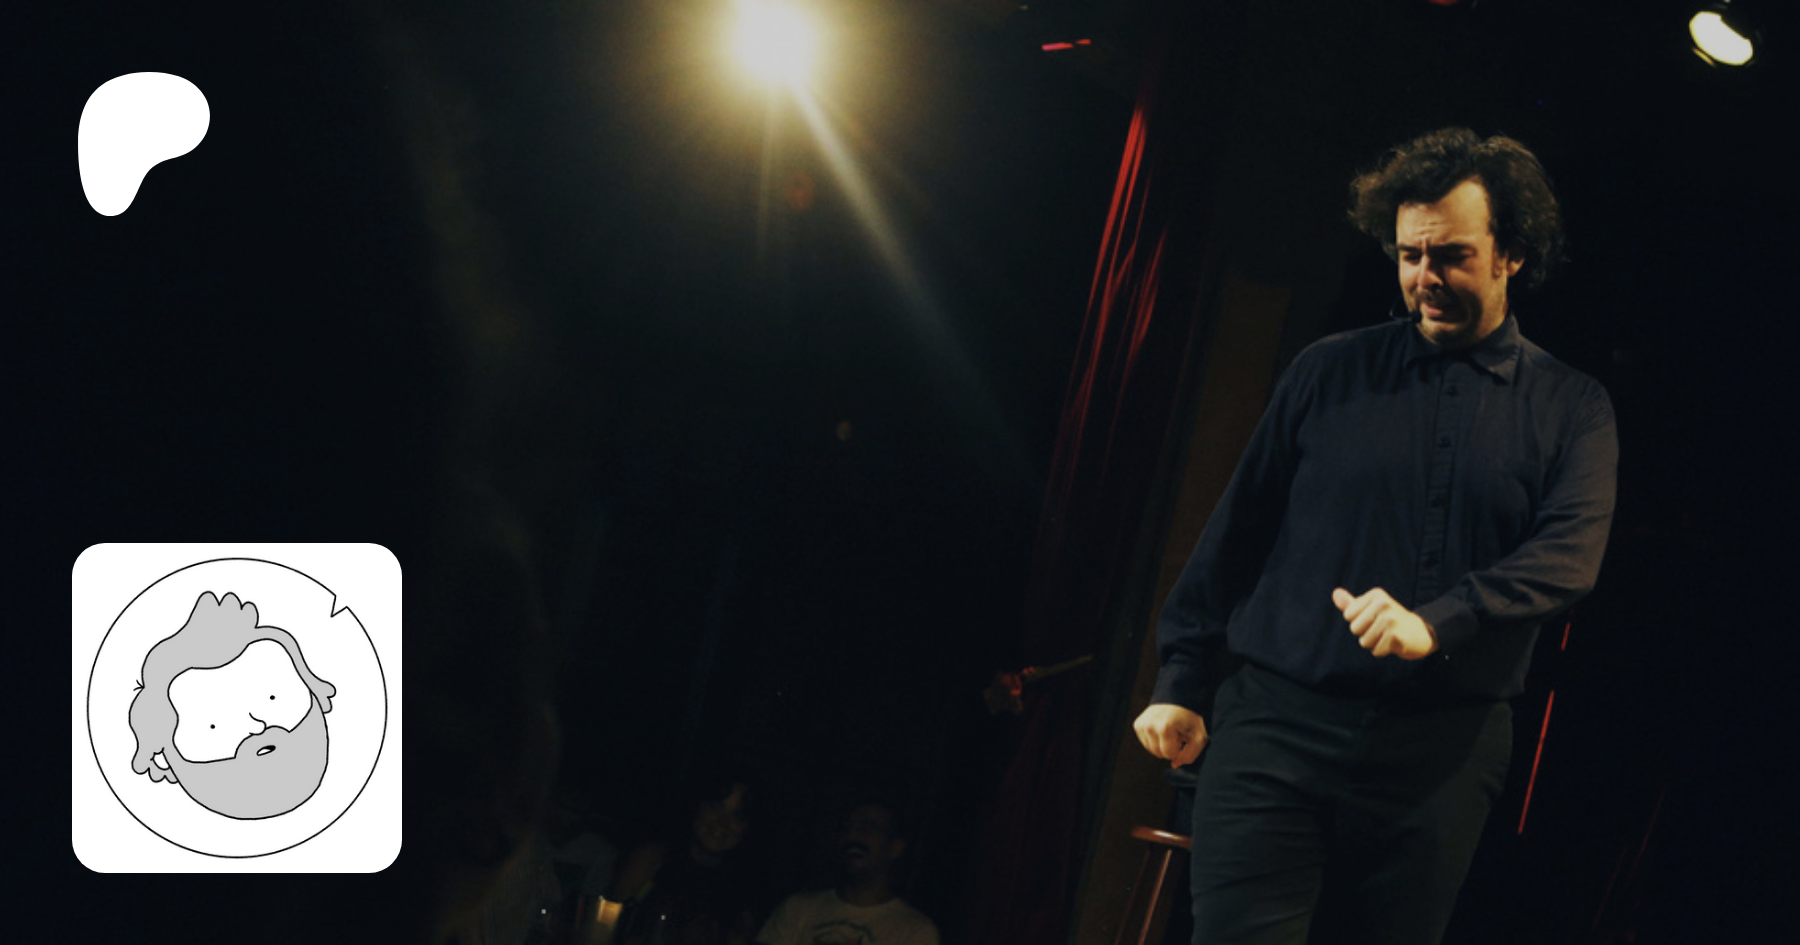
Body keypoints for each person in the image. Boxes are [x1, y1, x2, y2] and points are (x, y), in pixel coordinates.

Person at [1131, 127, 1618, 945]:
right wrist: (1180, 676)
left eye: (1452, 255)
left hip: (1439, 756)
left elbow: (1568, 557)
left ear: (1511, 255)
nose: (1425, 277)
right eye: (1409, 254)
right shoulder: (1327, 371)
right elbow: (1237, 532)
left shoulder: (1573, 407)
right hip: (1277, 728)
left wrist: (1439, 621)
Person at [755, 800, 939, 945]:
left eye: (866, 829)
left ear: (895, 848)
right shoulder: (797, 909)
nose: (852, 836)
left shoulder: (915, 930)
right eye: (847, 828)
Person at [610, 773, 764, 945]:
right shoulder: (653, 859)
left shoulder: (744, 892)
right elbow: (607, 926)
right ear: (697, 807)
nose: (723, 822)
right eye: (715, 807)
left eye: (737, 815)